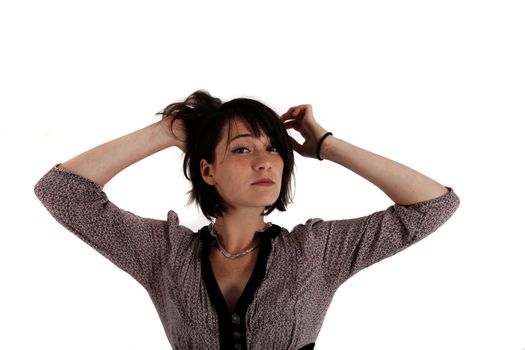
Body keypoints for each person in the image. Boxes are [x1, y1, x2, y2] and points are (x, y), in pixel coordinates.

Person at [34, 89, 460, 349]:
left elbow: (433, 205)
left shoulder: (317, 251)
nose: (264, 162)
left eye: (273, 148)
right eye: (242, 149)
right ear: (207, 171)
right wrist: (164, 133)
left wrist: (328, 145)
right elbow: (62, 192)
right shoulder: (163, 253)